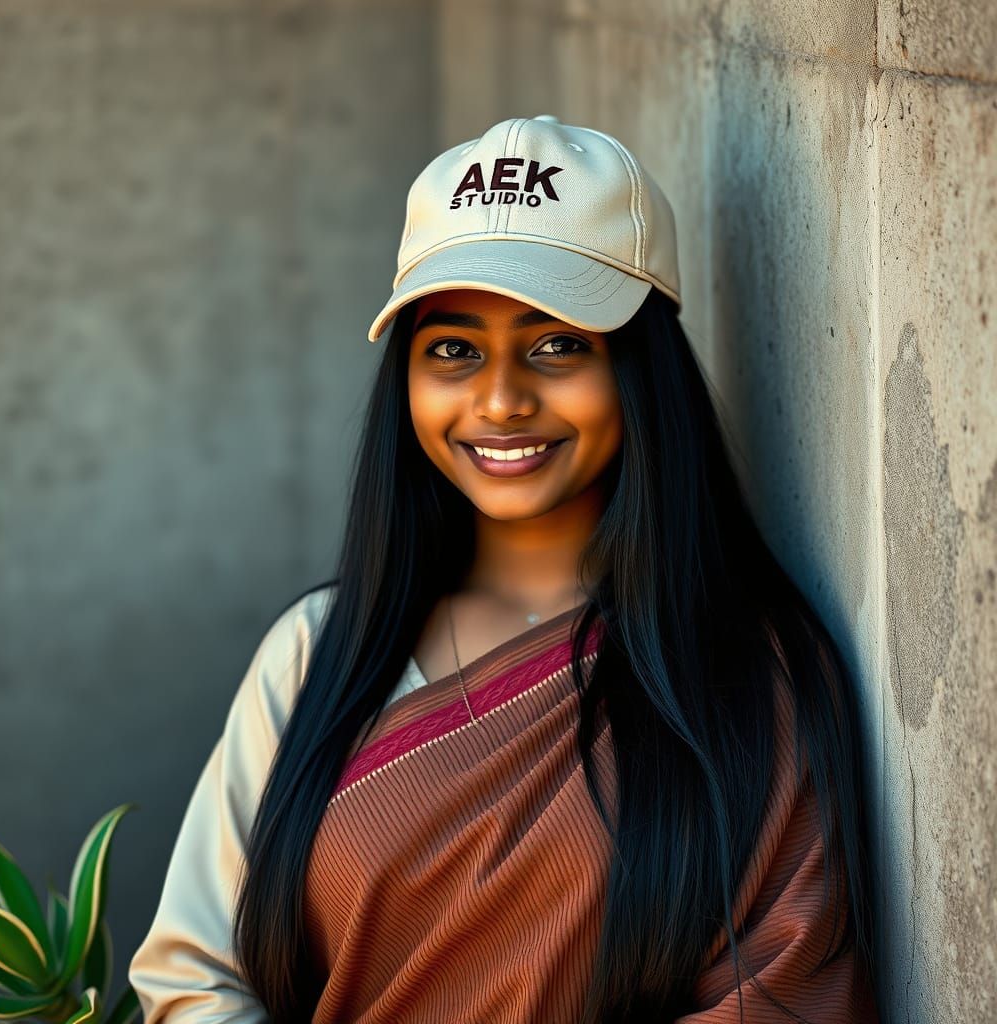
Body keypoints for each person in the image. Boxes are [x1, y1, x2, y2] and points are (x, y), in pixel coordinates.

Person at [128, 115, 881, 1023]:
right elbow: (194, 978)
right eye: (451, 349)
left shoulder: (743, 676)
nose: (500, 399)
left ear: (641, 366)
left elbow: (781, 995)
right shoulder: (317, 653)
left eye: (557, 343)